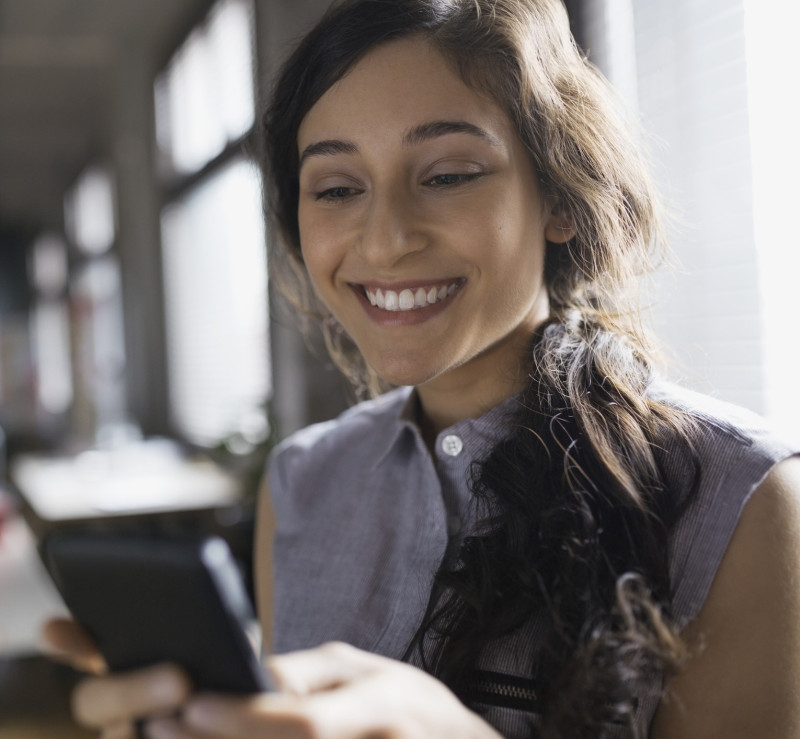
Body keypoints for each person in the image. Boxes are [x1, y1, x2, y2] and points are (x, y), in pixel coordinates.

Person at [43, 0, 800, 737]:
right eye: (337, 189)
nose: (384, 241)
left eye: (447, 174)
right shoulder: (302, 481)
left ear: (559, 198)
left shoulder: (740, 501)